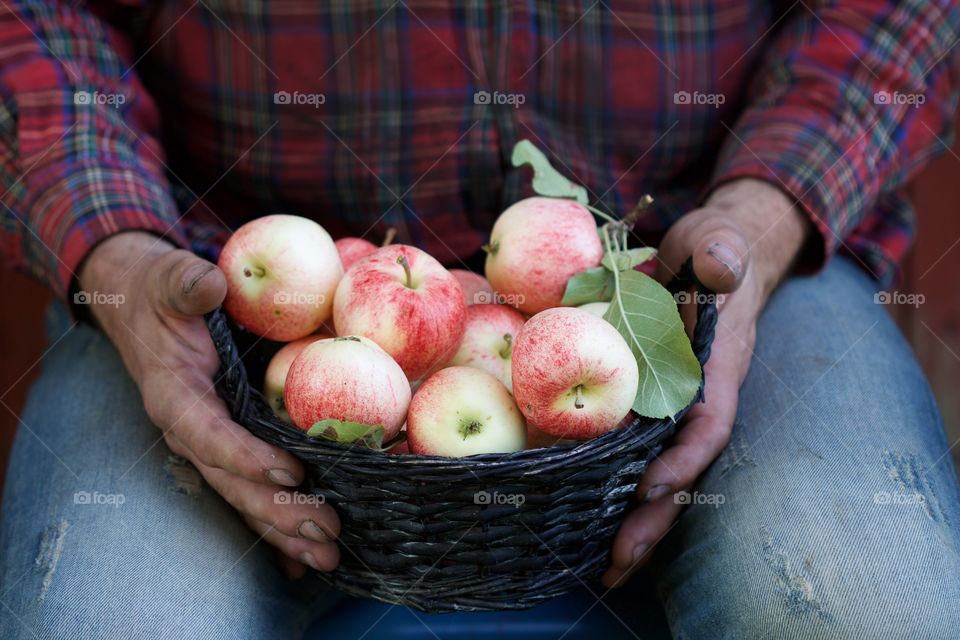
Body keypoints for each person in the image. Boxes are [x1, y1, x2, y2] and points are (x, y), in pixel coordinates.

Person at [1, 1, 959, 638]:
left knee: (873, 601)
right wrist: (115, 253)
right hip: (209, 291)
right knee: (106, 623)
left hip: (686, 259)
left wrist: (762, 220)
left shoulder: (704, 259)